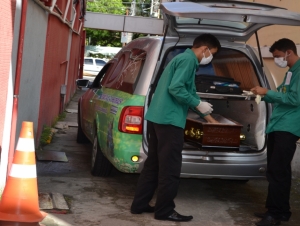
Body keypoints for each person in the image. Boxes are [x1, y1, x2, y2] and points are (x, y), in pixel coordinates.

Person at [130, 33, 221, 222]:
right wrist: (198, 104)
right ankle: (164, 211)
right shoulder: (188, 61)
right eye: (212, 53)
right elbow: (176, 88)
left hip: (158, 118)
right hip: (170, 122)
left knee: (153, 165)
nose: (210, 57)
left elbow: (190, 92)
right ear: (204, 49)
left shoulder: (181, 59)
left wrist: (209, 118)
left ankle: (139, 205)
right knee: (169, 169)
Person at [251, 38, 300, 226]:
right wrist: (260, 96)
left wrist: (267, 92)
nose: (277, 60)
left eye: (278, 56)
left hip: (288, 127)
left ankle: (274, 214)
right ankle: (280, 211)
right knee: (280, 171)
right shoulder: (291, 73)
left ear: (289, 52)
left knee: (277, 171)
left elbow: (295, 99)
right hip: (279, 124)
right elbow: (283, 95)